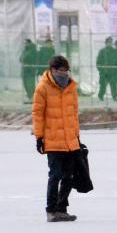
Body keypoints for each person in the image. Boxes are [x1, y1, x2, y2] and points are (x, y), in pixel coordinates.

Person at [32, 55, 81, 222]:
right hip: (52, 140)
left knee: (69, 175)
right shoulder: (42, 88)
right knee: (55, 175)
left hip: (70, 140)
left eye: (66, 70)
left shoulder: (71, 87)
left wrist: (76, 135)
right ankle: (51, 209)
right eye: (61, 70)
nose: (64, 74)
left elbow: (73, 114)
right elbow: (38, 115)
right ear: (53, 70)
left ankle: (62, 208)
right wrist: (39, 137)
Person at [96, 37, 115, 101]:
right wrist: (100, 69)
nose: (110, 44)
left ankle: (115, 96)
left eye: (111, 42)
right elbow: (98, 61)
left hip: (112, 71)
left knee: (113, 84)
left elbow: (116, 60)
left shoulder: (114, 51)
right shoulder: (102, 51)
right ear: (106, 43)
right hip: (104, 71)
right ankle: (101, 95)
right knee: (103, 85)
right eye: (108, 42)